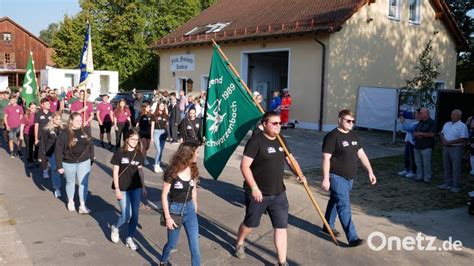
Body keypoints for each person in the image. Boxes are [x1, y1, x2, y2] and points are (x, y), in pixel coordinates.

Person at [235, 111, 305, 265]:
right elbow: (244, 166)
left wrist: (299, 174)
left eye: (280, 123)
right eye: (274, 123)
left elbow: (290, 159)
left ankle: (282, 261)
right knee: (250, 224)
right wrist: (254, 188)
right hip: (258, 193)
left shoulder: (281, 139)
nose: (278, 126)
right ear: (264, 124)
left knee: (281, 227)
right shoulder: (256, 141)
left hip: (279, 193)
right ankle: (239, 242)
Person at [321, 109, 377, 247]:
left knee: (335, 200)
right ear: (340, 120)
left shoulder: (353, 135)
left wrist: (370, 171)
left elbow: (361, 154)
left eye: (353, 121)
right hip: (336, 176)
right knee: (344, 205)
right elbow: (326, 159)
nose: (351, 123)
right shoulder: (332, 136)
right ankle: (352, 238)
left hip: (349, 177)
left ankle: (327, 225)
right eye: (348, 121)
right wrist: (326, 178)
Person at [160, 142, 200, 266]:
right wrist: (167, 218)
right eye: (196, 152)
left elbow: (193, 189)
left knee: (195, 248)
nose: (198, 155)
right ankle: (163, 261)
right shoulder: (172, 171)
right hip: (175, 211)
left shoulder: (193, 168)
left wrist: (195, 204)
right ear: (188, 154)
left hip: (190, 210)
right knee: (171, 244)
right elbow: (164, 195)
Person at [110, 128, 147, 251]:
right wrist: (117, 189)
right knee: (126, 215)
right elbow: (115, 171)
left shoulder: (139, 153)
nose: (135, 141)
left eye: (137, 139)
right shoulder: (120, 152)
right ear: (127, 139)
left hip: (135, 188)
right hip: (123, 188)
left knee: (135, 215)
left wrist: (143, 186)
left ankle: (129, 238)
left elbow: (140, 170)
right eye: (132, 139)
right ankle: (115, 227)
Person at [55, 112, 94, 213]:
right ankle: (71, 201)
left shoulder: (85, 131)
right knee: (70, 182)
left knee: (83, 183)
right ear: (71, 121)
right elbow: (58, 150)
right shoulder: (64, 133)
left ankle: (82, 205)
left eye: (80, 121)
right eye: (76, 121)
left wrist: (91, 158)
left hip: (84, 161)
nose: (79, 123)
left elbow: (90, 145)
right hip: (69, 162)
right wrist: (59, 165)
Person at [438, 109, 469, 193]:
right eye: (452, 114)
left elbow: (463, 138)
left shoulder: (462, 126)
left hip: (456, 148)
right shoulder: (447, 124)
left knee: (456, 167)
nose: (452, 116)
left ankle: (456, 186)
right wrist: (444, 141)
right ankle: (447, 183)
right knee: (446, 166)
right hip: (446, 147)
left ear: (459, 116)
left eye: (455, 115)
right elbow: (441, 133)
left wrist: (450, 142)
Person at [38, 112, 64, 198]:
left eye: (60, 119)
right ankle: (57, 188)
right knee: (55, 169)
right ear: (52, 119)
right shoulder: (47, 130)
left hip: (61, 153)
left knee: (62, 169)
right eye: (56, 119)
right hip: (51, 153)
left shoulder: (63, 129)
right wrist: (41, 156)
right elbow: (42, 143)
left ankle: (52, 168)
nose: (58, 121)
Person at [413, 108, 436, 183]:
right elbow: (415, 132)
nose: (420, 114)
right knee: (418, 162)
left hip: (426, 146)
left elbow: (432, 134)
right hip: (417, 145)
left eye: (422, 113)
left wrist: (420, 134)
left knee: (426, 163)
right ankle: (419, 176)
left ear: (427, 113)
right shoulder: (420, 122)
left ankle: (427, 178)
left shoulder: (432, 122)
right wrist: (419, 134)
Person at [398, 109, 420, 179]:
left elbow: (408, 128)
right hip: (409, 142)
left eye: (416, 113)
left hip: (413, 143)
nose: (415, 114)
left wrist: (403, 122)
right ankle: (407, 169)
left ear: (420, 115)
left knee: (412, 157)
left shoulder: (418, 123)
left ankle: (413, 172)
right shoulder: (414, 122)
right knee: (406, 156)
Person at [35, 98, 53, 177]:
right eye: (47, 104)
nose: (49, 105)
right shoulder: (38, 114)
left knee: (50, 153)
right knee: (43, 154)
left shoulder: (52, 114)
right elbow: (36, 126)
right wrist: (36, 138)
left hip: (51, 138)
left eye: (49, 104)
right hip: (41, 138)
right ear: (42, 105)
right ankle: (45, 170)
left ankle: (48, 166)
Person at [150, 102, 168, 173]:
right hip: (156, 133)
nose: (162, 107)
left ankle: (158, 164)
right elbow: (152, 127)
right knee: (158, 150)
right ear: (158, 106)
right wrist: (151, 137)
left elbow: (166, 125)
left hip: (163, 133)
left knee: (161, 151)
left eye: (163, 106)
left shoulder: (165, 116)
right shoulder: (154, 115)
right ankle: (155, 165)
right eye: (161, 105)